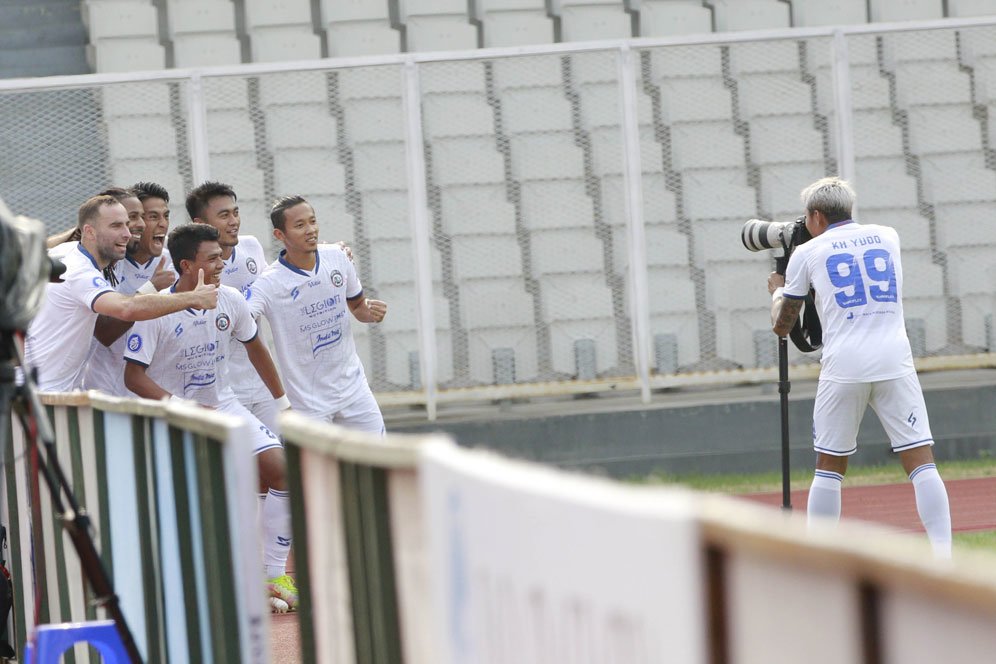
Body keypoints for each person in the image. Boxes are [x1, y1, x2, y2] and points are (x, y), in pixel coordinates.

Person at [768, 176, 952, 558]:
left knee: (829, 467)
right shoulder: (888, 235)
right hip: (894, 360)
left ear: (816, 215)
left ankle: (821, 559)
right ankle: (944, 557)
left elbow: (784, 325)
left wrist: (777, 290)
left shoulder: (807, 253)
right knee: (920, 460)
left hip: (844, 365)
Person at [122, 223, 298, 611]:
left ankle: (272, 574)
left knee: (281, 470)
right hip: (176, 417)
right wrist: (181, 407)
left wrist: (282, 402)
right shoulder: (156, 313)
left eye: (222, 256)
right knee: (196, 506)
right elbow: (133, 377)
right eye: (213, 258)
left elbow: (255, 347)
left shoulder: (231, 299)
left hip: (225, 406)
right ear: (187, 265)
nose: (222, 263)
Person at [24, 195, 217, 392]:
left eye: (127, 224)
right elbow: (126, 309)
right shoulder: (79, 271)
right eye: (116, 226)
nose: (127, 233)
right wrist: (194, 298)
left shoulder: (71, 251)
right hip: (39, 395)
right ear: (89, 232)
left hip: (50, 391)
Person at [247, 195, 387, 434]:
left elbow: (357, 307)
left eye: (313, 221)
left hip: (354, 390)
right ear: (280, 235)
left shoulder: (338, 257)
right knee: (316, 472)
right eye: (300, 225)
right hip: (308, 403)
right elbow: (241, 319)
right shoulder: (268, 284)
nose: (310, 230)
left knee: (379, 463)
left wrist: (370, 312)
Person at [84, 187, 176, 396]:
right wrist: (151, 289)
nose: (162, 223)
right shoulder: (105, 264)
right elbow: (105, 333)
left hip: (159, 390)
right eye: (151, 216)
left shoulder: (178, 262)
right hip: (108, 390)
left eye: (166, 215)